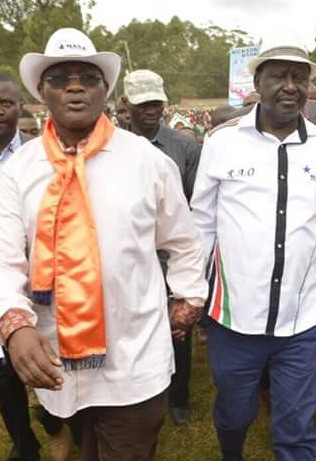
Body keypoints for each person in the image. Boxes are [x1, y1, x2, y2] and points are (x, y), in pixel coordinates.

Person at [0, 27, 208, 461]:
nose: (76, 86)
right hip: (55, 357)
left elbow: (184, 239)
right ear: (42, 92)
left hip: (133, 354)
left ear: (106, 91)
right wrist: (15, 323)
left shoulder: (147, 161)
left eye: (88, 77)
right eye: (61, 77)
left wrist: (188, 297)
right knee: (86, 447)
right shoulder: (20, 171)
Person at [190, 35, 316, 461]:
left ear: (309, 87)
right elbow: (202, 223)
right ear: (258, 84)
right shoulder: (222, 141)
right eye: (279, 77)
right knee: (235, 415)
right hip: (234, 318)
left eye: (299, 78)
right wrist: (191, 292)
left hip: (302, 319)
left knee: (296, 427)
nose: (290, 86)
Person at [124, 68, 201, 426]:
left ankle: (179, 397)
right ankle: (136, 389)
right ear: (126, 105)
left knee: (178, 326)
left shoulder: (184, 147)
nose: (150, 110)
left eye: (156, 102)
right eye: (142, 104)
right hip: (131, 256)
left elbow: (195, 204)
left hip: (172, 253)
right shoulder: (112, 146)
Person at [0, 71, 42, 461]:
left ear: (21, 106)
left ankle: (55, 420)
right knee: (1, 372)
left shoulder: (40, 155)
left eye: (6, 103)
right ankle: (24, 441)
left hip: (39, 278)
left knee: (47, 362)